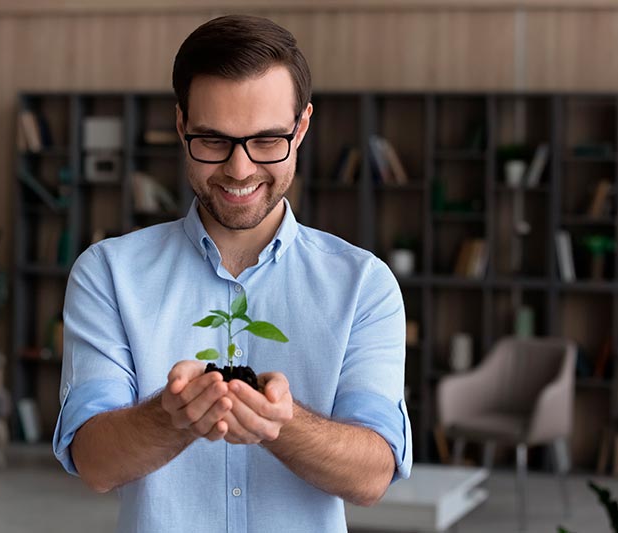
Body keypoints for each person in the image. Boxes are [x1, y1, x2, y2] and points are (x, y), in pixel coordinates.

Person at [53, 14, 412, 532]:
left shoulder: (364, 285)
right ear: (181, 126)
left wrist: (281, 425)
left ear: (302, 127)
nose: (239, 170)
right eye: (213, 140)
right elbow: (95, 463)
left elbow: (372, 474)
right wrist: (170, 416)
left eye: (267, 140)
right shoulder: (107, 274)